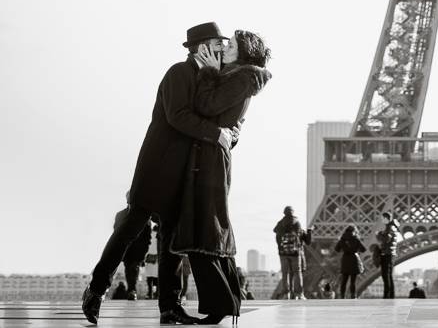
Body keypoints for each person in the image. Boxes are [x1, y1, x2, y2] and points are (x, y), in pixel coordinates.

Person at [82, 22, 240, 325]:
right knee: (130, 229)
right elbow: (178, 116)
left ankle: (169, 306)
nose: (222, 49)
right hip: (158, 168)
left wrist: (230, 133)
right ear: (203, 47)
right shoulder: (178, 73)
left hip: (186, 175)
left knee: (171, 244)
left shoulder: (212, 80)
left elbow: (223, 120)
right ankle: (97, 288)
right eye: (219, 44)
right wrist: (216, 133)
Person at [171, 29, 271, 324]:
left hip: (210, 159)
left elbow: (206, 106)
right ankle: (228, 301)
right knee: (211, 227)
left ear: (244, 52)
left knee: (206, 229)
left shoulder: (241, 77)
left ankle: (220, 305)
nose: (226, 48)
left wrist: (208, 73)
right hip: (212, 156)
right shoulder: (241, 76)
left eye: (232, 46)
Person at [113, 192, 153, 301]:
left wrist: (144, 250)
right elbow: (116, 233)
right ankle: (131, 290)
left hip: (138, 249)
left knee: (134, 268)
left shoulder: (145, 216)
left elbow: (147, 237)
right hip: (126, 248)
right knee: (129, 268)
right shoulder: (120, 215)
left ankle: (132, 290)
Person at [274, 206, 312, 300]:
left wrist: (280, 247)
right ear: (293, 213)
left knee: (285, 273)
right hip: (295, 252)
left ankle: (286, 293)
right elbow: (306, 240)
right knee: (297, 272)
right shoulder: (297, 222)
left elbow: (275, 231)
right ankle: (299, 293)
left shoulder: (280, 223)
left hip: (283, 252)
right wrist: (309, 232)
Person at [335, 225, 366, 299]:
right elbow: (363, 249)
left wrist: (344, 248)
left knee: (344, 280)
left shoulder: (342, 239)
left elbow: (337, 249)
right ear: (354, 231)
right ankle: (353, 295)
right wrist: (356, 249)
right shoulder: (356, 239)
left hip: (345, 260)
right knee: (353, 281)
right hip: (354, 260)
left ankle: (342, 296)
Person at [376, 212, 400, 298]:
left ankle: (386, 295)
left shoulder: (389, 228)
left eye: (383, 218)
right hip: (390, 253)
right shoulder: (392, 227)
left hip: (387, 254)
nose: (382, 220)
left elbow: (386, 240)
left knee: (385, 275)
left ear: (386, 218)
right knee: (388, 275)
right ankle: (390, 295)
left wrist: (378, 235)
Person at [144, 224, 159, 299]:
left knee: (149, 277)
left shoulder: (149, 235)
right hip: (157, 257)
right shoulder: (159, 236)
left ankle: (150, 293)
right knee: (157, 277)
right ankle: (157, 293)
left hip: (149, 257)